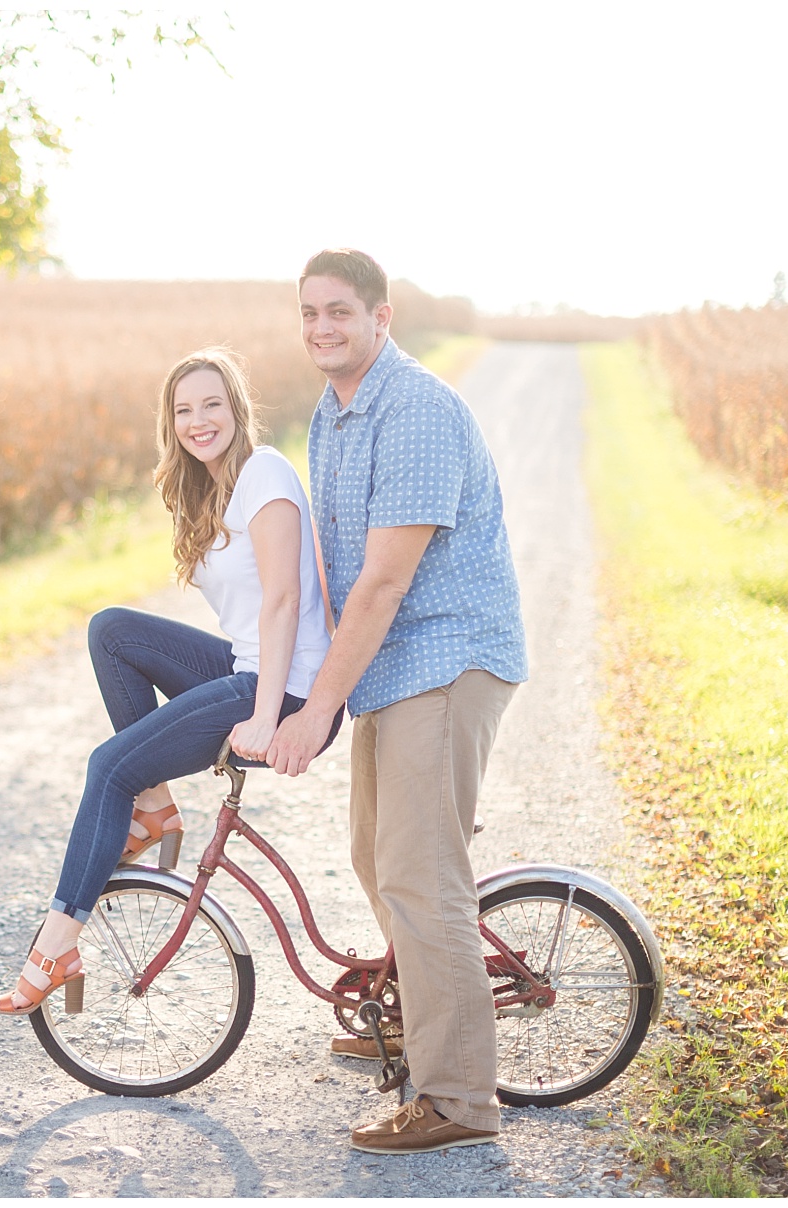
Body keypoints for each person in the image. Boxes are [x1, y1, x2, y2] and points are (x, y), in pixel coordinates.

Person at [266, 249, 528, 1155]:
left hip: (446, 660)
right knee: (376, 855)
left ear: (382, 318)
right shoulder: (334, 414)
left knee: (422, 875)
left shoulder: (412, 410)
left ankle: (457, 1100)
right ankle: (422, 1023)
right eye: (309, 314)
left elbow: (380, 585)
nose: (321, 329)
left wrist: (314, 712)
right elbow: (334, 574)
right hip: (396, 668)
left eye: (339, 312)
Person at [0, 346, 336, 1015]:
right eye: (183, 410)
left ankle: (56, 945)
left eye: (212, 404)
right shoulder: (210, 491)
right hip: (251, 669)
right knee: (113, 631)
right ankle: (154, 806)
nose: (198, 420)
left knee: (108, 766)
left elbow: (284, 599)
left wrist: (265, 717)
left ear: (237, 408)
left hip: (284, 691)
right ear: (169, 422)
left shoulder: (264, 472)